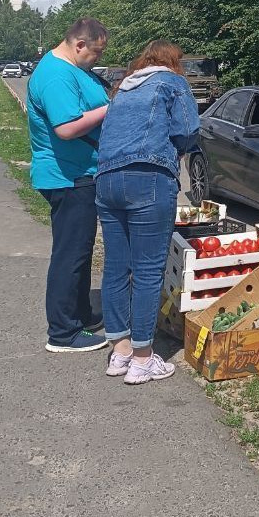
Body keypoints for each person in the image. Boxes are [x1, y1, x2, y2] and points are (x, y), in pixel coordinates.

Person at [95, 40, 200, 384]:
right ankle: (142, 358)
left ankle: (120, 352)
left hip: (107, 179)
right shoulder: (172, 81)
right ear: (173, 61)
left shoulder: (123, 87)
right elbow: (186, 130)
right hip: (149, 177)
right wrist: (180, 151)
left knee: (115, 267)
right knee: (147, 271)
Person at [27, 18, 110, 353]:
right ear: (79, 45)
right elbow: (66, 128)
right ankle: (62, 332)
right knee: (70, 254)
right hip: (68, 177)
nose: (98, 59)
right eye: (96, 52)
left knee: (80, 249)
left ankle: (81, 315)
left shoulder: (69, 68)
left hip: (78, 173)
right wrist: (110, 108)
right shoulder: (56, 75)